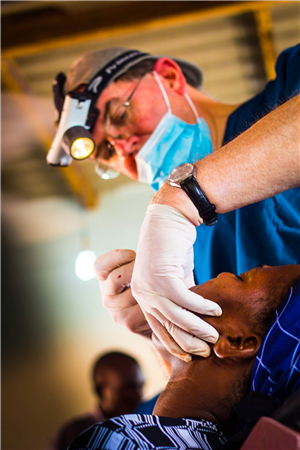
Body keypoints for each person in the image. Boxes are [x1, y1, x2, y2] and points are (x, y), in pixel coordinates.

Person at [49, 45, 300, 360]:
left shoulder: (292, 80)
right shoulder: (182, 253)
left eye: (119, 114)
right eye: (107, 152)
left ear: (169, 77)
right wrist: (161, 337)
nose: (126, 151)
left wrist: (184, 195)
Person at [67, 263, 300, 450]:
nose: (222, 273)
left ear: (235, 343)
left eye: (240, 279)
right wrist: (154, 338)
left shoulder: (131, 442)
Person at [48, 351, 145, 450]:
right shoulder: (71, 436)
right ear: (100, 390)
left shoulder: (148, 425)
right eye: (127, 388)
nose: (138, 395)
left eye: (140, 386)